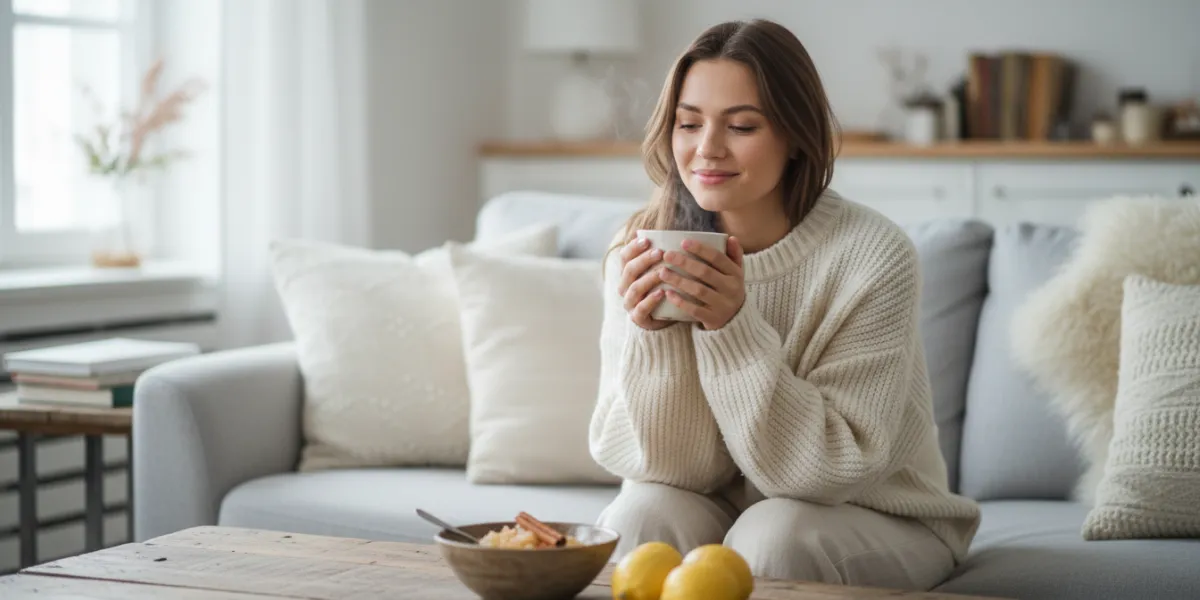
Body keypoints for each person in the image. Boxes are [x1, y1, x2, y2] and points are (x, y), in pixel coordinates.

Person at [588, 19, 981, 591]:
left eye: (741, 125)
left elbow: (826, 472)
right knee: (638, 518)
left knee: (773, 537)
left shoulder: (872, 255)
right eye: (688, 123)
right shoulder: (640, 248)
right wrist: (656, 332)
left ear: (795, 135)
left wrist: (731, 329)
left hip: (874, 512)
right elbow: (671, 473)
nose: (707, 149)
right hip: (723, 507)